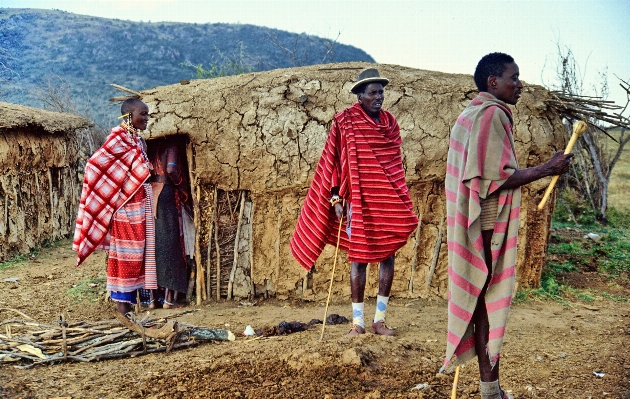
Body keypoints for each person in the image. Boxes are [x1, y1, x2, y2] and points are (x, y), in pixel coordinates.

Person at [443, 53, 573, 399]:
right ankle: (490, 390)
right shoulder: (491, 117)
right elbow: (494, 180)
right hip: (485, 223)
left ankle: (491, 388)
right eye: (514, 77)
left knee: (482, 301)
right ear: (493, 82)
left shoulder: (469, 116)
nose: (519, 84)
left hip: (471, 221)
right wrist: (548, 168)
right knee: (487, 302)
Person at [290, 68, 419, 337]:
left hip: (385, 199)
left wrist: (397, 197)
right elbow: (334, 162)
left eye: (381, 92)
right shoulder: (345, 121)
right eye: (372, 93)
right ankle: (357, 323)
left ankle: (379, 320)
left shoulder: (390, 124)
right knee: (358, 258)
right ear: (359, 96)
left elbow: (394, 166)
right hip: (357, 200)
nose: (379, 97)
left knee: (388, 255)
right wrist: (336, 197)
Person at [73, 98, 157, 315]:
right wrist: (115, 197)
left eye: (147, 114)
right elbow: (94, 165)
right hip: (125, 210)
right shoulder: (117, 140)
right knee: (125, 257)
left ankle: (129, 309)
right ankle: (122, 310)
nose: (147, 118)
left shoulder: (137, 141)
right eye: (143, 114)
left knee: (139, 255)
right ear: (129, 116)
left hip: (140, 206)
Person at [146, 140, 190, 309]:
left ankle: (151, 300)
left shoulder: (149, 145)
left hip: (150, 191)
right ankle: (169, 299)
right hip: (166, 193)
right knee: (170, 244)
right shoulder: (170, 145)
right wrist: (181, 185)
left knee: (153, 245)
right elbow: (171, 168)